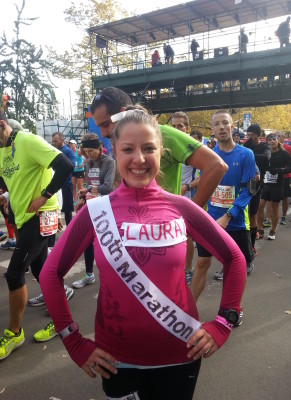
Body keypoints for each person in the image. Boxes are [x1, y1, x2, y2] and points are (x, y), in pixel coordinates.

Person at [39, 110, 245, 400]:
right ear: (114, 152)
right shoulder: (94, 212)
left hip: (181, 352)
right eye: (128, 149)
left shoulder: (182, 208)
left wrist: (224, 322)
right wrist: (72, 341)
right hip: (117, 359)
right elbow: (50, 273)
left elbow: (235, 259)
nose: (139, 159)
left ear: (161, 151)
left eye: (148, 148)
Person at [0, 110, 74, 360]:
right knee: (41, 271)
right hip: (23, 216)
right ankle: (62, 321)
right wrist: (6, 197)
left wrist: (44, 194)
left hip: (43, 213)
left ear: (2, 126)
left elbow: (65, 165)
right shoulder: (2, 150)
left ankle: (14, 333)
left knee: (14, 272)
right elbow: (8, 179)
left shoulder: (27, 141)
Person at [90, 87, 227, 208]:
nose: (102, 133)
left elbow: (216, 165)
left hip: (168, 229)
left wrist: (187, 219)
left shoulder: (161, 133)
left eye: (106, 124)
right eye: (128, 150)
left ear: (123, 113)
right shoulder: (117, 142)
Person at [189, 110, 255, 328]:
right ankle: (187, 310)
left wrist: (229, 215)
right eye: (217, 124)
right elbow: (203, 181)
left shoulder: (246, 155)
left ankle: (234, 307)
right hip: (211, 220)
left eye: (225, 123)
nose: (222, 127)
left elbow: (248, 191)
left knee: (234, 267)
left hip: (236, 222)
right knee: (202, 263)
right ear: (213, 130)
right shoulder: (209, 155)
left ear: (232, 126)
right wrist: (188, 187)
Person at [72, 133, 116, 289]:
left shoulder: (109, 162)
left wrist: (89, 189)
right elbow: (90, 187)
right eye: (86, 152)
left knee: (108, 243)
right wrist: (83, 199)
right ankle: (89, 275)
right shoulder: (88, 163)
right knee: (88, 241)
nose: (88, 155)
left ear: (99, 147)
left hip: (108, 207)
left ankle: (115, 277)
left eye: (91, 151)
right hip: (92, 205)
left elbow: (108, 187)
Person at [171, 111, 200, 284]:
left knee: (187, 235)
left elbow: (205, 175)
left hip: (187, 197)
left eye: (180, 126)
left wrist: (187, 186)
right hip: (169, 198)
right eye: (173, 126)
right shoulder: (167, 144)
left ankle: (188, 268)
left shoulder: (194, 148)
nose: (176, 129)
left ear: (187, 128)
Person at [257, 133, 291, 240]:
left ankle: (273, 230)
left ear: (278, 141)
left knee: (275, 207)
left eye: (274, 139)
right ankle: (260, 229)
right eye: (270, 140)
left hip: (277, 183)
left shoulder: (284, 153)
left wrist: (280, 170)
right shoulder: (265, 153)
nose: (272, 141)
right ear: (267, 141)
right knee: (260, 205)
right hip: (265, 182)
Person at [244, 124, 271, 247]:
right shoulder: (247, 145)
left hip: (257, 183)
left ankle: (252, 246)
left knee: (252, 215)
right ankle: (243, 243)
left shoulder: (265, 146)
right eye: (248, 135)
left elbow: (266, 157)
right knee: (241, 213)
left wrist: (248, 156)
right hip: (244, 182)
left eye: (252, 135)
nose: (249, 137)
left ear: (258, 135)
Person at [51, 132, 76, 226]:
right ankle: (54, 228)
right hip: (54, 184)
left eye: (55, 141)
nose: (53, 143)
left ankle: (69, 230)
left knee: (67, 210)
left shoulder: (68, 151)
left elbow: (72, 165)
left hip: (66, 184)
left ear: (62, 140)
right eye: (53, 141)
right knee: (54, 208)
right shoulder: (52, 150)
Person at [277, 132, 291, 225]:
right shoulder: (271, 148)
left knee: (285, 197)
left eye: (280, 136)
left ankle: (283, 216)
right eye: (276, 137)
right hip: (274, 177)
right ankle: (272, 216)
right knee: (272, 198)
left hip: (286, 176)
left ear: (283, 138)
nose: (278, 138)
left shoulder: (289, 148)